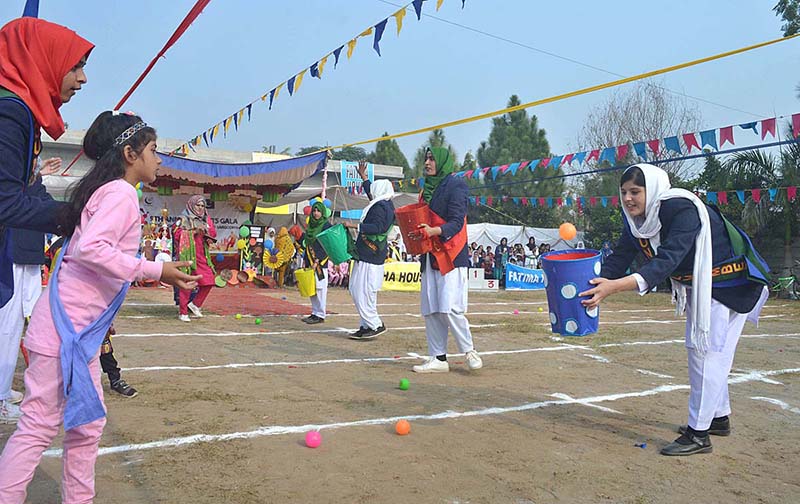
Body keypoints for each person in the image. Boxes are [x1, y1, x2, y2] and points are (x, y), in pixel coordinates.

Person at [0, 111, 200, 502]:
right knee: (40, 426)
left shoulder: (109, 192)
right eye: (154, 151)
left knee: (87, 426)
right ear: (130, 154)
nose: (159, 159)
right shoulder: (120, 194)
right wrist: (155, 268)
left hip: (78, 334)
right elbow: (93, 249)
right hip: (64, 334)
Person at [580, 164, 769, 457]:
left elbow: (667, 260)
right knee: (709, 353)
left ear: (652, 189)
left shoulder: (681, 209)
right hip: (705, 285)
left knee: (706, 352)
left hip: (730, 284)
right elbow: (620, 256)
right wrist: (591, 286)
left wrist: (614, 287)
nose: (628, 198)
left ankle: (699, 435)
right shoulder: (636, 221)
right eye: (624, 192)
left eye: (635, 191)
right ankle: (717, 418)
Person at [0, 18, 92, 310]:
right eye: (75, 66)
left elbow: (24, 189)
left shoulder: (19, 110)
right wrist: (79, 216)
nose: (82, 79)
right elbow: (6, 203)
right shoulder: (10, 113)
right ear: (43, 60)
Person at [410, 147, 482, 373]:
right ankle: (438, 358)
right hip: (429, 255)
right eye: (426, 158)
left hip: (450, 253)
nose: (427, 163)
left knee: (449, 307)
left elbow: (457, 221)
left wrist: (435, 231)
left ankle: (469, 350)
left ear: (442, 162)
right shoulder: (425, 191)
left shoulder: (456, 185)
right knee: (431, 308)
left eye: (432, 159)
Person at [345, 160, 395, 340]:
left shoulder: (382, 207)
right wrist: (364, 177)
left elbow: (379, 227)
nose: (371, 191)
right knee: (365, 292)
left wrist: (356, 226)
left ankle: (375, 324)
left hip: (370, 255)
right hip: (369, 255)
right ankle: (366, 325)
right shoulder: (383, 203)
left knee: (360, 290)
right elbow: (370, 192)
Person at [174, 195, 217, 322]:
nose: (200, 208)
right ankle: (183, 312)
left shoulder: (206, 219)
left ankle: (195, 304)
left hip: (202, 256)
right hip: (187, 255)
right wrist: (194, 231)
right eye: (198, 205)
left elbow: (213, 234)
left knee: (209, 280)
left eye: (203, 205)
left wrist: (208, 233)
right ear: (192, 205)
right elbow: (176, 234)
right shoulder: (183, 218)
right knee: (187, 283)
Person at [300, 199, 332, 324]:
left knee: (320, 289)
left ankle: (320, 314)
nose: (316, 213)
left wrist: (317, 260)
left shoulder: (325, 226)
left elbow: (326, 245)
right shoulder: (311, 225)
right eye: (314, 211)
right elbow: (307, 244)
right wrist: (305, 260)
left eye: (319, 211)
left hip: (320, 262)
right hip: (309, 260)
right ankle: (314, 312)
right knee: (311, 288)